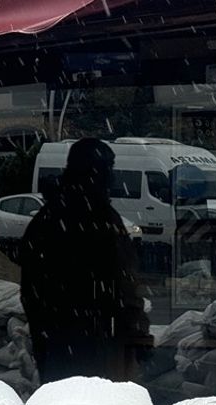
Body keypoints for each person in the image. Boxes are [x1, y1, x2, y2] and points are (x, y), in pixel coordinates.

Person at [20, 137, 151, 382]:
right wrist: (137, 335)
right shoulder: (98, 220)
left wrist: (46, 333)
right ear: (96, 172)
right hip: (96, 343)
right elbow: (123, 287)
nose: (113, 178)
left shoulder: (47, 218)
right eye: (109, 169)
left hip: (59, 343)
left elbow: (30, 290)